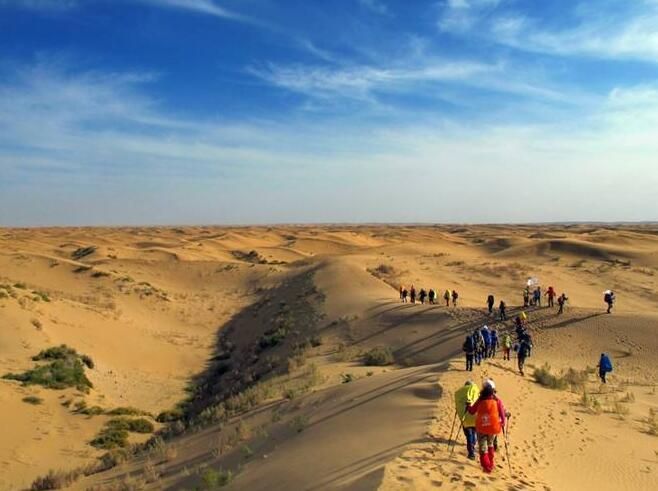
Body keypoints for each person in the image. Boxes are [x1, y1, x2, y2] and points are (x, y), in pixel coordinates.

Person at [467, 379, 508, 473]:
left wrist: (468, 405)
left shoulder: (480, 400)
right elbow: (502, 413)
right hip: (493, 427)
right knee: (490, 444)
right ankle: (491, 463)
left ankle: (487, 467)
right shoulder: (497, 400)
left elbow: (472, 411)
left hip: (481, 427)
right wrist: (502, 423)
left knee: (483, 448)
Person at [455, 381, 480, 460]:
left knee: (468, 434)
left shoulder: (460, 393)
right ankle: (473, 444)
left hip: (465, 417)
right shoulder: (476, 391)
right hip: (475, 416)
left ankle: (471, 453)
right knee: (474, 432)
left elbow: (459, 404)